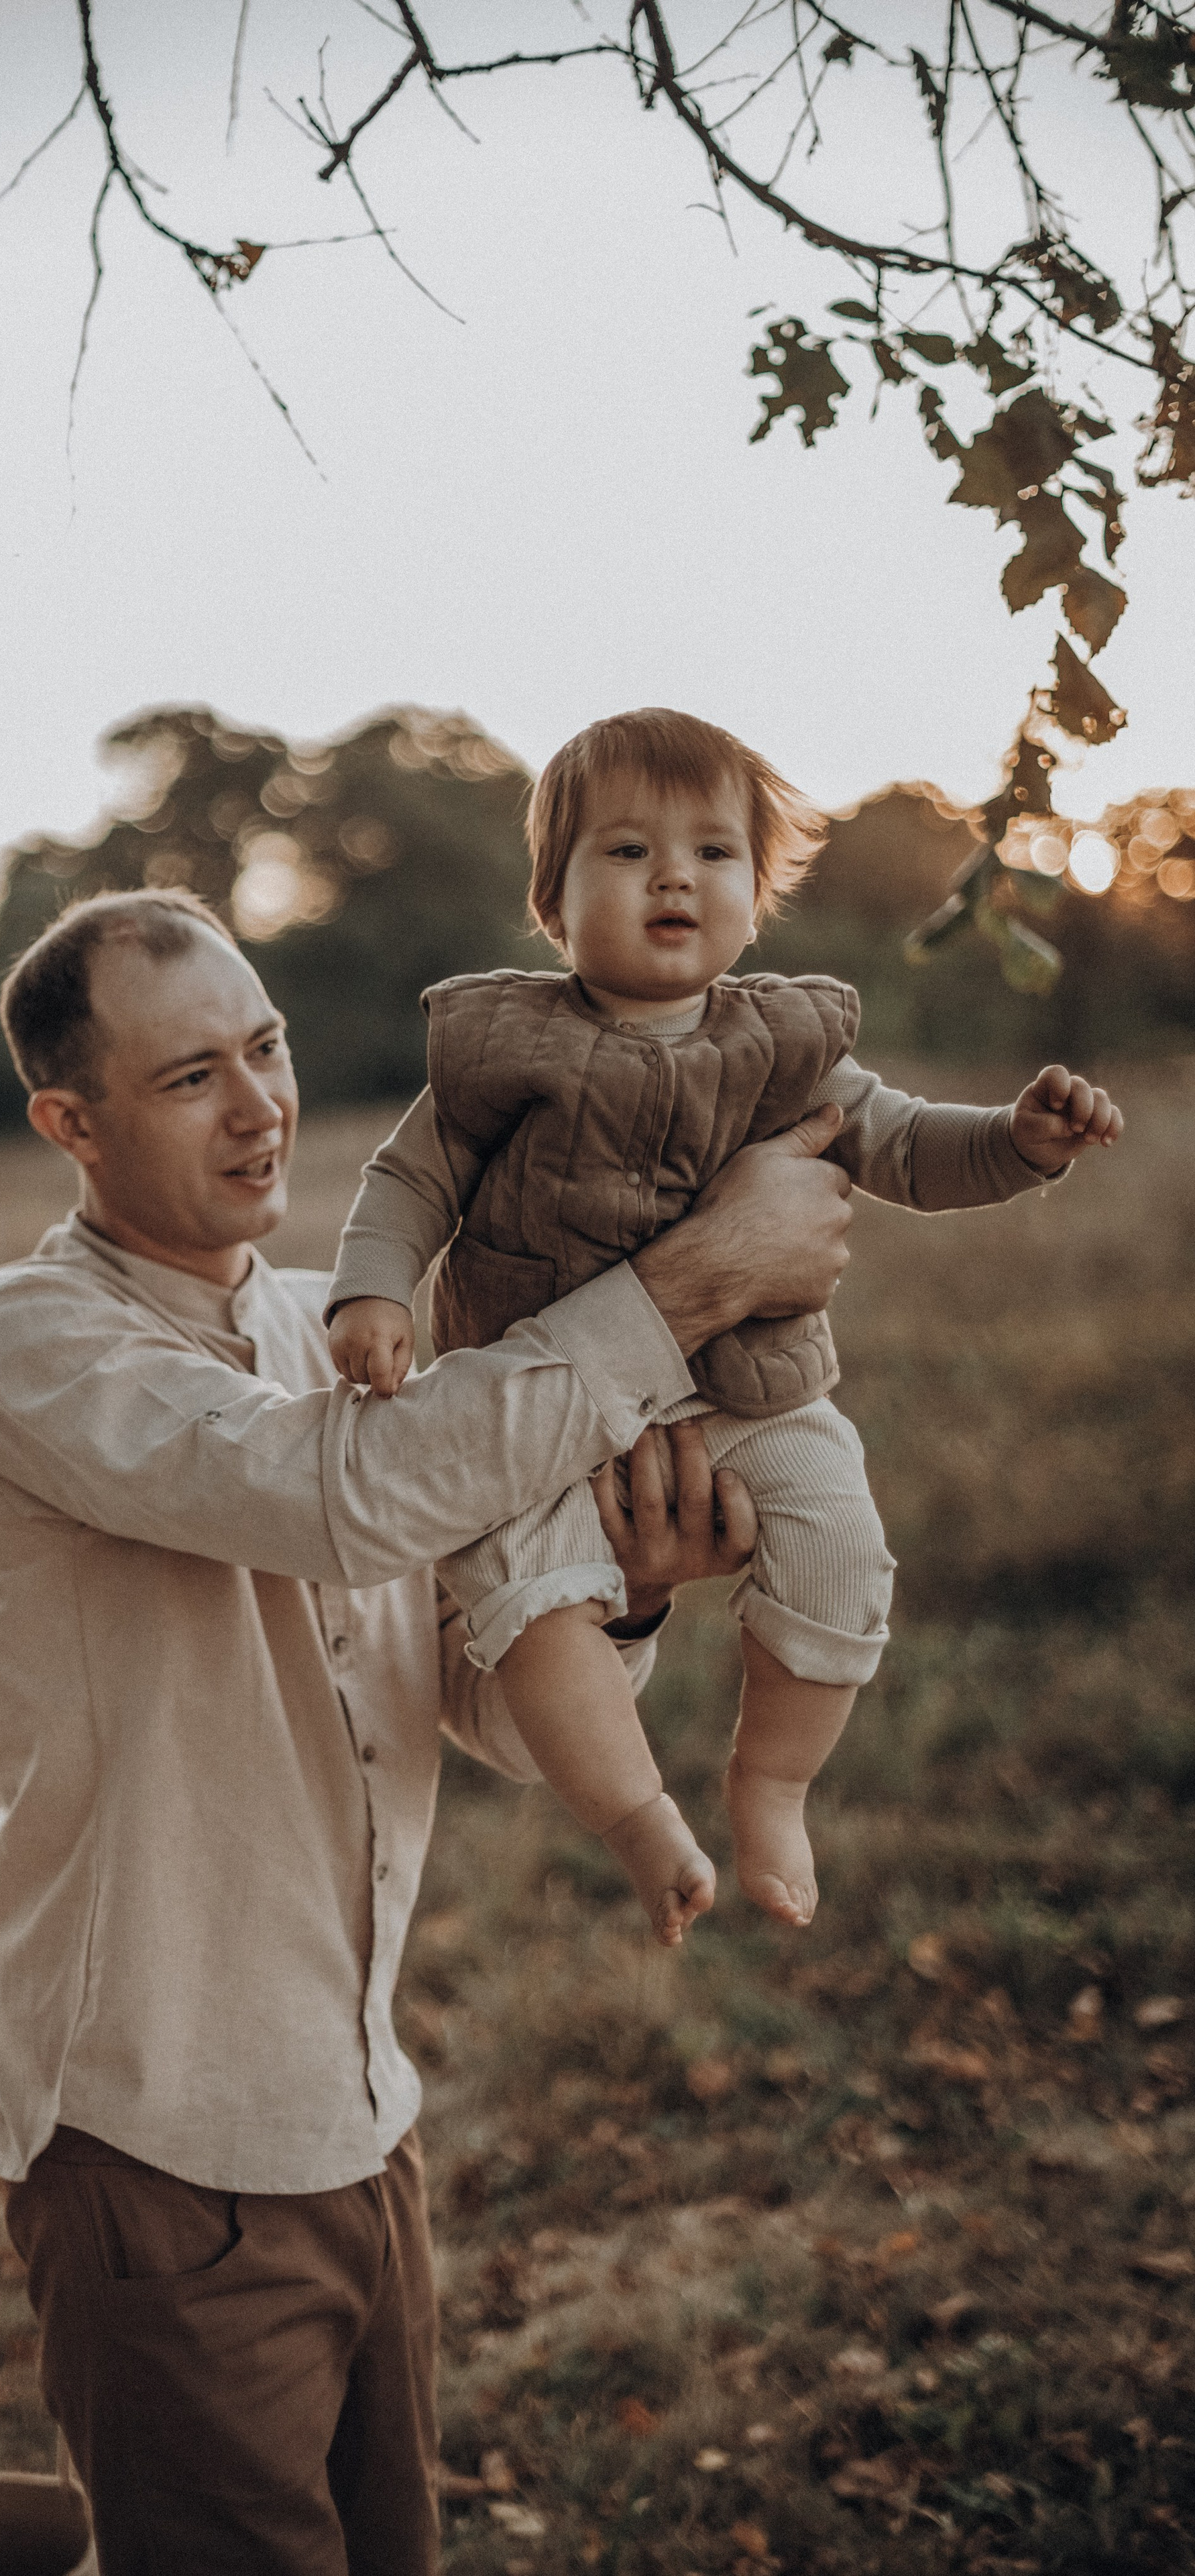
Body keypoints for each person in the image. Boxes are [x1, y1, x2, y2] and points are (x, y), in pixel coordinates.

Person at [0, 882, 852, 2576]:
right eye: (189, 1075)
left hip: (358, 2118)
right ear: (70, 1122)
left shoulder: (328, 1321)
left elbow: (478, 1693)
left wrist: (623, 1602)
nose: (262, 1104)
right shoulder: (26, 1342)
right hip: (155, 2136)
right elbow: (341, 1502)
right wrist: (696, 1278)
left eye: (265, 1047)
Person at [327, 706, 1125, 1951]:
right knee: (527, 1607)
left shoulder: (786, 1049)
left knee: (838, 1537)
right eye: (628, 851)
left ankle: (774, 1785)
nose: (674, 878)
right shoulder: (501, 1049)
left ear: (758, 896)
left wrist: (1018, 1144)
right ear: (554, 900)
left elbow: (911, 1147)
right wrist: (373, 1292)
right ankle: (641, 1821)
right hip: (538, 1409)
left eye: (712, 853)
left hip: (753, 1396)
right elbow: (406, 1184)